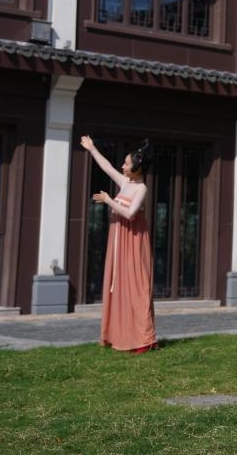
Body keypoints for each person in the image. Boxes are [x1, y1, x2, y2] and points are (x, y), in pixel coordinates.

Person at [80, 136, 157, 354]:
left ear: (137, 168)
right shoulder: (125, 183)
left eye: (126, 163)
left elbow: (131, 214)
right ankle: (118, 335)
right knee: (120, 287)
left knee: (137, 288)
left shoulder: (141, 189)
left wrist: (109, 201)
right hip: (119, 241)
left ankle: (143, 339)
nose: (122, 166)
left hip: (134, 243)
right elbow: (106, 167)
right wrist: (92, 148)